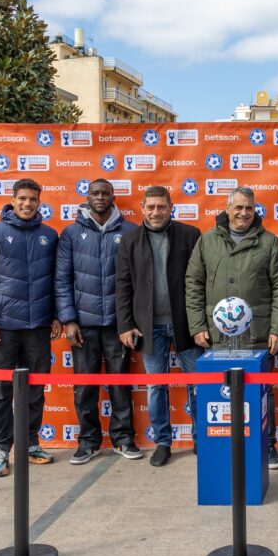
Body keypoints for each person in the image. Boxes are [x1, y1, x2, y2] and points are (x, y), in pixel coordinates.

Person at [185, 186, 278, 470]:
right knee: (220, 392)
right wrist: (197, 325)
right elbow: (193, 283)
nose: (244, 213)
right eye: (238, 207)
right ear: (227, 208)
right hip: (216, 335)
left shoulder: (269, 243)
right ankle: (220, 447)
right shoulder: (207, 241)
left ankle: (267, 447)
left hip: (257, 333)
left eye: (249, 207)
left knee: (262, 391)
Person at [0, 178, 61, 477]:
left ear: (39, 200)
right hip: (2, 329)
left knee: (35, 390)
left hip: (37, 327)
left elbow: (57, 281)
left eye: (33, 199)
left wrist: (57, 315)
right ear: (13, 199)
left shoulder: (49, 235)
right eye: (22, 198)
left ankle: (30, 442)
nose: (27, 204)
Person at [56, 178, 141, 464]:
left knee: (120, 385)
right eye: (95, 193)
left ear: (113, 196)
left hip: (119, 325)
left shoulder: (130, 231)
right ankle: (88, 442)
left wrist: (129, 322)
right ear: (87, 196)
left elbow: (138, 281)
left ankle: (123, 439)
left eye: (105, 193)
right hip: (84, 324)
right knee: (85, 387)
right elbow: (62, 280)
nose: (100, 197)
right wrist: (68, 320)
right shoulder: (70, 233)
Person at [116, 186, 202, 467]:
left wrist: (200, 323)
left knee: (197, 385)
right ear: (142, 207)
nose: (156, 212)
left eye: (161, 207)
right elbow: (123, 286)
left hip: (186, 325)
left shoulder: (190, 235)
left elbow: (201, 281)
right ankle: (163, 442)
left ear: (170, 207)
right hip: (148, 326)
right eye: (151, 207)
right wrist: (126, 324)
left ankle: (201, 439)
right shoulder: (129, 241)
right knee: (156, 388)